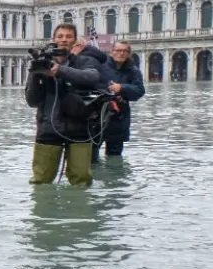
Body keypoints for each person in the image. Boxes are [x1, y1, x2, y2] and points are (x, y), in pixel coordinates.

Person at [25, 23, 103, 186]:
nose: (64, 40)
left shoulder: (84, 61)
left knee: (81, 180)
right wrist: (35, 73)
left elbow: (92, 77)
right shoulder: (43, 63)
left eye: (68, 37)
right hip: (48, 129)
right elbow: (32, 100)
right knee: (41, 180)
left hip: (80, 129)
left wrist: (60, 71)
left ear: (75, 41)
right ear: (53, 39)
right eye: (60, 36)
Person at [78, 41, 146, 162]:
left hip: (119, 119)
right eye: (118, 50)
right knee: (91, 156)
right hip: (98, 118)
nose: (121, 53)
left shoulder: (134, 71)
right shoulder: (100, 65)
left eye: (125, 51)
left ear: (129, 54)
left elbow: (139, 91)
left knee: (115, 158)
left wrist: (122, 88)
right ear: (112, 52)